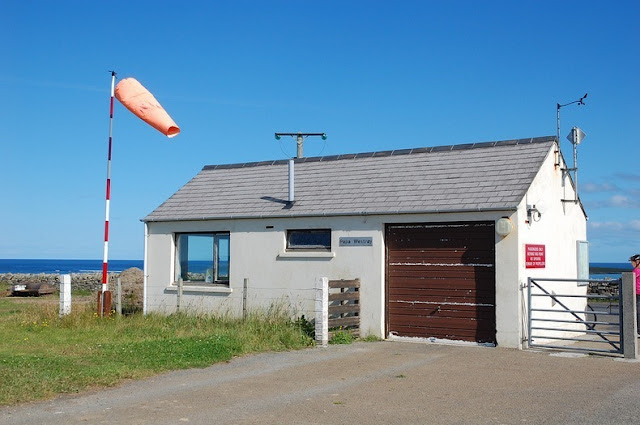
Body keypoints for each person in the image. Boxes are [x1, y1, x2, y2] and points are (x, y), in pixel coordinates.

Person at [630, 254, 640, 336]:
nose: (631, 263)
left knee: (638, 311)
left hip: (637, 293)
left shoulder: (636, 271)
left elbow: (630, 280)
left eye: (632, 261)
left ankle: (638, 330)